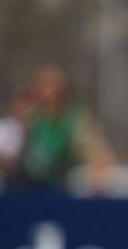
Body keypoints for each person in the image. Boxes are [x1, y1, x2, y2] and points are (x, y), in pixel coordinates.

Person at [13, 64, 115, 193]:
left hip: (59, 192)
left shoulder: (75, 121)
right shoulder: (33, 120)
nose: (39, 91)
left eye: (46, 85)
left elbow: (98, 157)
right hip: (27, 190)